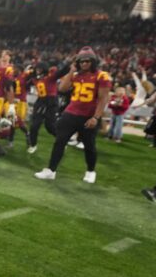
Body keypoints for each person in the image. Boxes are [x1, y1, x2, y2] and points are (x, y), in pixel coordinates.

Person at [35, 47, 111, 183]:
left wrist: (96, 117)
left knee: (89, 145)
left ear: (93, 61)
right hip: (71, 113)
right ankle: (51, 170)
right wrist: (71, 71)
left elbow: (103, 98)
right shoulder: (76, 75)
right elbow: (62, 88)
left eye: (87, 61)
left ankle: (90, 170)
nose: (84, 63)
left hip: (88, 116)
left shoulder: (101, 76)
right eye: (81, 61)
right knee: (59, 141)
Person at [27, 62, 61, 154]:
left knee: (49, 126)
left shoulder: (50, 77)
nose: (38, 70)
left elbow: (60, 73)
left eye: (40, 69)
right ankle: (33, 144)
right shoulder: (35, 78)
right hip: (40, 102)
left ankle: (62, 140)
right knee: (34, 125)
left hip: (51, 102)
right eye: (37, 69)